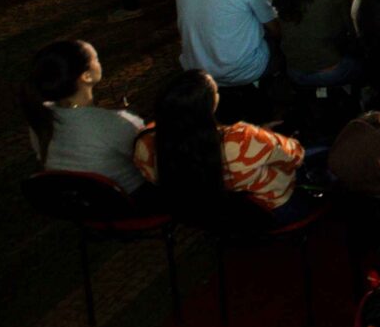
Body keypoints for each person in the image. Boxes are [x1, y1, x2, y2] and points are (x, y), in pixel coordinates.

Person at [132, 68, 310, 221]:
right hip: (272, 213)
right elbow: (297, 156)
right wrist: (263, 137)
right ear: (210, 105)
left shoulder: (145, 144)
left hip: (202, 217)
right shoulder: (241, 139)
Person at [22, 38, 147, 193]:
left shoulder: (41, 117)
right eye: (96, 59)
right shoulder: (113, 123)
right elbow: (150, 155)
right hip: (131, 199)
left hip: (77, 201)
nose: (99, 62)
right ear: (86, 76)